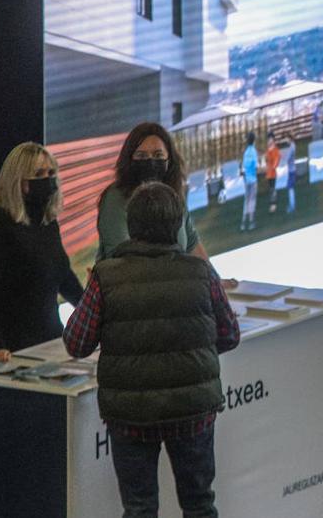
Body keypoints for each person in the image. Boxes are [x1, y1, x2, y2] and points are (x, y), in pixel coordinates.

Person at [65, 182, 240, 518]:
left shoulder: (106, 276)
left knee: (140, 509)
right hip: (193, 410)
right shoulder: (201, 273)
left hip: (131, 413)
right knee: (200, 504)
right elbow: (229, 335)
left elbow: (76, 342)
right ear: (177, 226)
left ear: (131, 225)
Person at [0, 142, 83, 362]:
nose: (47, 179)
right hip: (12, 348)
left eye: (51, 172)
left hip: (50, 341)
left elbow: (62, 275)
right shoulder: (1, 225)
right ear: (18, 180)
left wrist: (91, 311)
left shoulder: (48, 223)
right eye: (38, 173)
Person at [96, 122, 206, 262]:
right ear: (129, 160)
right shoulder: (115, 198)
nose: (150, 162)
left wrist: (214, 279)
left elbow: (191, 242)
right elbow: (120, 256)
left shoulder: (173, 194)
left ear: (169, 160)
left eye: (158, 155)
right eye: (141, 156)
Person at [240, 131, 258, 232]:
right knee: (252, 200)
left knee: (246, 200)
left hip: (246, 180)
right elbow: (255, 166)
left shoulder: (246, 152)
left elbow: (244, 167)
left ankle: (243, 222)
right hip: (253, 180)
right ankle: (251, 221)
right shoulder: (254, 152)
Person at [265, 131, 281, 214]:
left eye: (270, 139)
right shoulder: (268, 150)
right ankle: (271, 203)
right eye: (268, 139)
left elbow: (277, 159)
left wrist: (273, 166)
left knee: (273, 188)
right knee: (270, 188)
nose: (269, 141)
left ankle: (274, 204)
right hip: (268, 173)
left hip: (272, 173)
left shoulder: (275, 149)